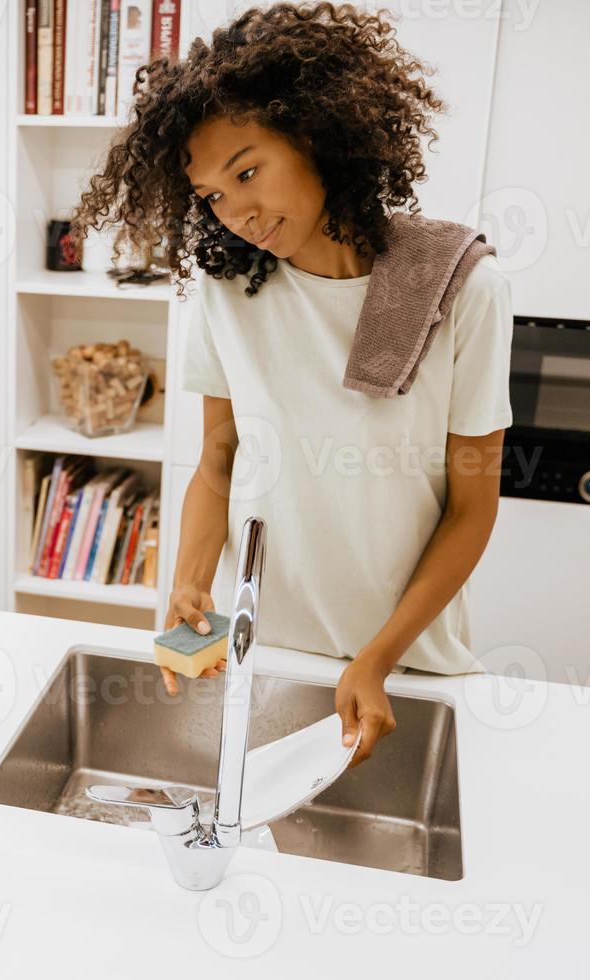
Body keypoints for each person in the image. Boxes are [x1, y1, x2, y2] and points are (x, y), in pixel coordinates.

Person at [70, 2, 512, 767]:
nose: (235, 211)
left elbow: (473, 511)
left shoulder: (461, 289)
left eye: (247, 171)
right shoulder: (227, 291)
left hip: (406, 665)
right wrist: (187, 583)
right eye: (210, 194)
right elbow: (218, 460)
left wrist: (374, 659)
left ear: (316, 136)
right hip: (266, 652)